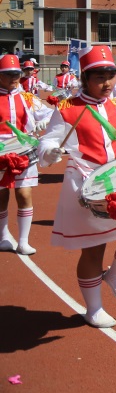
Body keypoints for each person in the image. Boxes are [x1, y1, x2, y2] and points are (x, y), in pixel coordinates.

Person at [38, 45, 116, 327]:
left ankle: (115, 274)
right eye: (99, 77)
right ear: (85, 78)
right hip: (87, 181)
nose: (107, 83)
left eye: (111, 75)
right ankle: (93, 309)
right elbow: (48, 141)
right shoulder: (68, 108)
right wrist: (51, 150)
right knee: (93, 248)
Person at [0, 55, 42, 255]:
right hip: (1, 152)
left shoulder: (26, 96)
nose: (14, 77)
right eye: (8, 74)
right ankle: (3, 235)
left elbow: (49, 112)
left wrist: (44, 121)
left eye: (16, 73)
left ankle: (23, 241)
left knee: (24, 193)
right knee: (1, 195)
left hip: (23, 150)